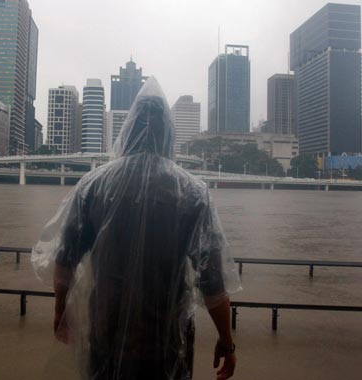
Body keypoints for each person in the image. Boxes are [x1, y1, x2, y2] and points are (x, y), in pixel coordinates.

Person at [32, 77, 241, 380]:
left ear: (127, 130)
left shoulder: (93, 186)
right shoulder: (192, 193)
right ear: (169, 134)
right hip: (167, 336)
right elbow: (213, 282)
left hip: (107, 329)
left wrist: (60, 312)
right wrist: (227, 342)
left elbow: (65, 261)